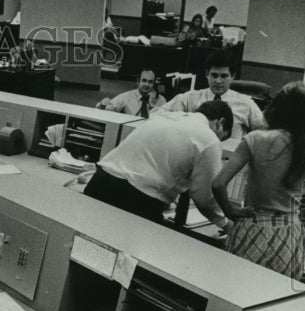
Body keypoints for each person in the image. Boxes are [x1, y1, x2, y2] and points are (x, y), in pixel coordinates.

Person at [212, 82, 305, 279]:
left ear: (276, 108)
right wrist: (297, 237)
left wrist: (230, 211)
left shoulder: (255, 139)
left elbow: (218, 183)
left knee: (239, 288)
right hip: (289, 234)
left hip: (252, 226)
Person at [84, 101, 235, 233]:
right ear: (219, 122)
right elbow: (204, 197)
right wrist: (225, 223)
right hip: (135, 201)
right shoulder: (209, 139)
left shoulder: (167, 117)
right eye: (222, 137)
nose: (218, 141)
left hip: (100, 183)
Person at [154, 49, 265, 140]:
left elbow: (265, 131)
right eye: (214, 75)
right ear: (207, 74)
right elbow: (157, 114)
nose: (218, 81)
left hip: (228, 160)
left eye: (224, 76)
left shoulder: (245, 103)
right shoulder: (190, 98)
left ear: (233, 76)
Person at [96, 69, 165, 117]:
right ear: (138, 81)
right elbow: (105, 108)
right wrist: (103, 105)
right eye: (144, 81)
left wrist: (153, 107)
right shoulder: (126, 97)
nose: (147, 85)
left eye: (150, 82)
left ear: (154, 83)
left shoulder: (161, 100)